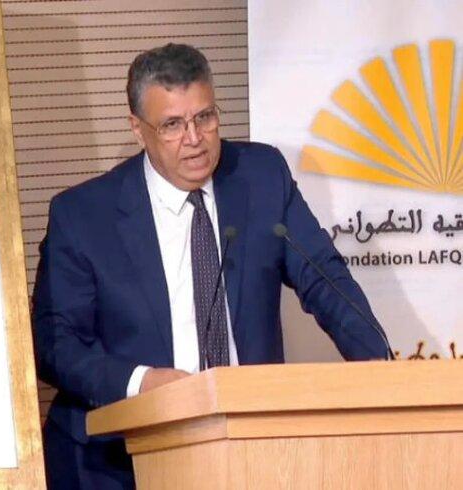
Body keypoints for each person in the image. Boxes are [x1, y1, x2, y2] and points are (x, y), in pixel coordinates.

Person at [31, 44, 389, 489]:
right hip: (120, 461)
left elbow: (325, 281)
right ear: (138, 129)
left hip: (249, 451)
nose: (194, 138)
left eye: (204, 117)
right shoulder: (83, 216)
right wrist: (141, 383)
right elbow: (56, 344)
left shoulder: (262, 176)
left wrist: (382, 371)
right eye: (172, 125)